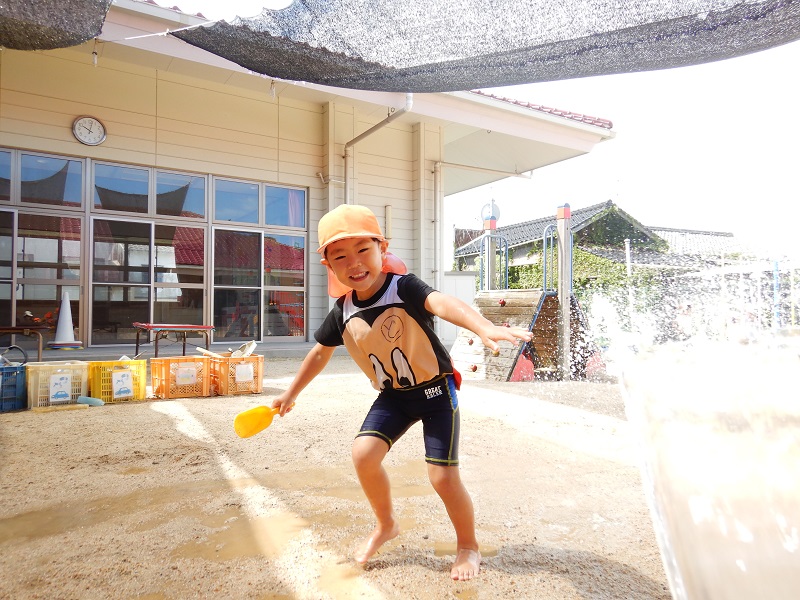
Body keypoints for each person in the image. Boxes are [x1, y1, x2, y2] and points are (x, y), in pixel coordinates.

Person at [271, 204, 532, 581]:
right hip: (394, 396)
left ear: (382, 248)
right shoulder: (342, 310)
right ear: (328, 265)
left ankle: (468, 547)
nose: (354, 262)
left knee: (442, 478)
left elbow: (443, 303)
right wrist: (291, 392)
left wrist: (482, 326)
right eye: (340, 255)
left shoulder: (404, 287)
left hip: (436, 392)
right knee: (363, 454)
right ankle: (386, 524)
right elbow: (319, 352)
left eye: (363, 249)